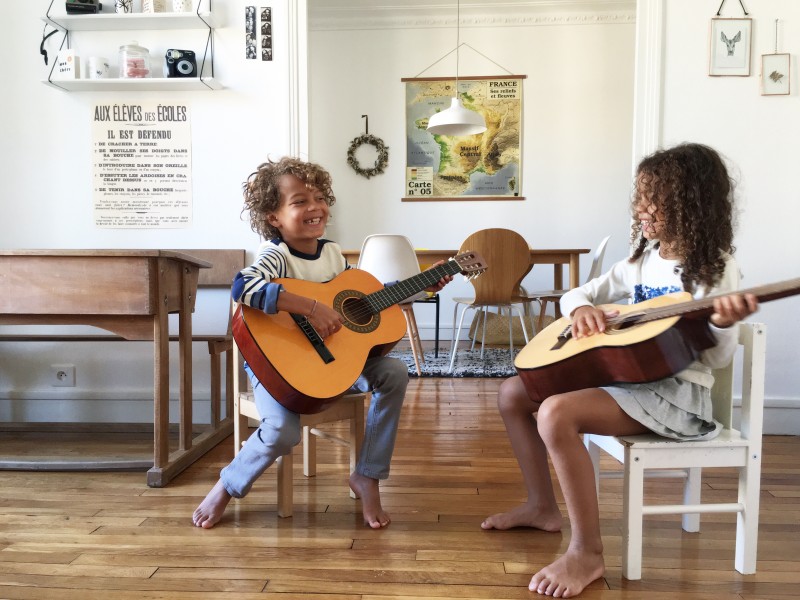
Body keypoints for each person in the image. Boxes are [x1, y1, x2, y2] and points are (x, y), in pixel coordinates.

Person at [480, 143, 759, 598]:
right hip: (629, 381)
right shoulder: (641, 258)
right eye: (641, 196)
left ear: (692, 204)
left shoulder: (714, 269)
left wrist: (721, 325)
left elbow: (718, 359)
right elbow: (578, 293)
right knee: (514, 392)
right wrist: (580, 312)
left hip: (676, 398)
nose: (642, 208)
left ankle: (587, 552)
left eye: (656, 199)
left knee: (555, 412)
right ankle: (541, 505)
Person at [192, 156, 451, 530]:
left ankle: (368, 475)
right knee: (283, 431)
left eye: (319, 198)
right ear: (273, 217)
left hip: (329, 362)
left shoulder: (331, 253)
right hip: (277, 365)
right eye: (299, 201)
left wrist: (421, 284)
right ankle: (227, 485)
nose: (314, 208)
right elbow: (242, 287)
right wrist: (311, 308)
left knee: (393, 371)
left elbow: (364, 298)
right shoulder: (275, 255)